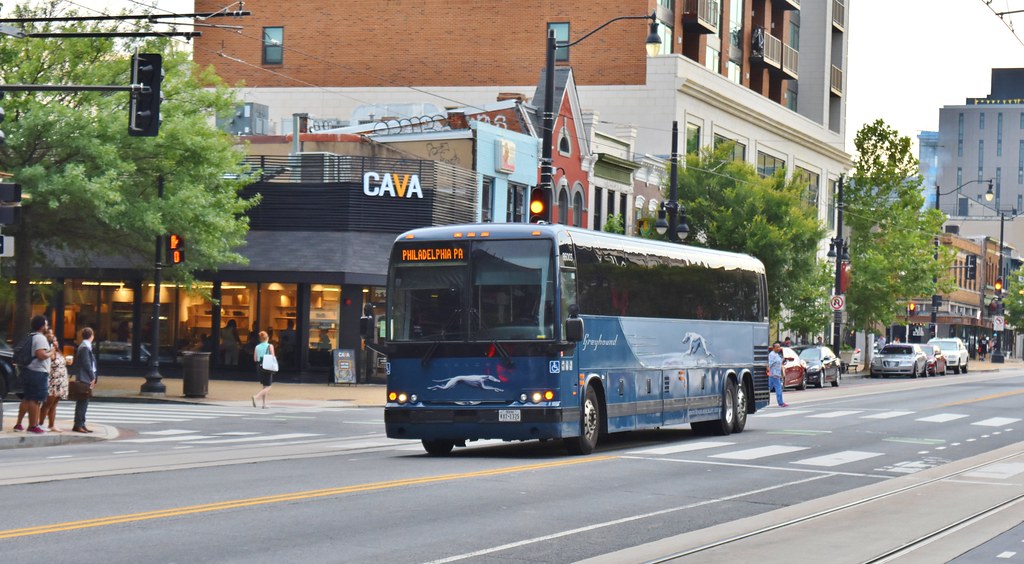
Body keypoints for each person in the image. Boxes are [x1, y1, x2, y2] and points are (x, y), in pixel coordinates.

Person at [14, 315, 52, 434]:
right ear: (41, 326)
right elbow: (40, 355)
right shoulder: (40, 338)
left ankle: (19, 424)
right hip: (38, 372)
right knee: (35, 399)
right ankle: (33, 426)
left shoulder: (31, 336)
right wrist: (51, 352)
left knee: (28, 397)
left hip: (29, 371)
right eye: (46, 324)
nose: (47, 326)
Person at [39, 329, 69, 433]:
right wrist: (52, 349)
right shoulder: (50, 352)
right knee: (47, 404)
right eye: (54, 341)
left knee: (54, 405)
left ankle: (51, 425)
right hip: (53, 383)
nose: (56, 342)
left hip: (61, 382)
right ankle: (40, 424)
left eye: (56, 340)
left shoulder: (58, 351)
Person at [72, 327, 97, 434]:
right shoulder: (85, 348)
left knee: (83, 401)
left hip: (84, 377)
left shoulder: (84, 347)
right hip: (84, 378)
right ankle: (79, 424)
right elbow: (87, 364)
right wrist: (92, 377)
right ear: (91, 336)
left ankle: (81, 423)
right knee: (83, 401)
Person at [252, 331, 276, 409]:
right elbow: (273, 356)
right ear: (267, 338)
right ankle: (256, 396)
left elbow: (255, 359)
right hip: (267, 366)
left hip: (259, 366)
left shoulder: (257, 347)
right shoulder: (270, 346)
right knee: (269, 386)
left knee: (264, 385)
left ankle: (264, 404)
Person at [767, 341, 788, 408]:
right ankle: (781, 403)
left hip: (776, 374)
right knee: (778, 388)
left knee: (769, 388)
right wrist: (768, 371)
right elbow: (769, 364)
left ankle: (780, 402)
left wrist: (783, 360)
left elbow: (778, 362)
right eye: (777, 347)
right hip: (773, 375)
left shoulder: (776, 354)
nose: (779, 348)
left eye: (779, 347)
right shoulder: (772, 355)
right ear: (774, 348)